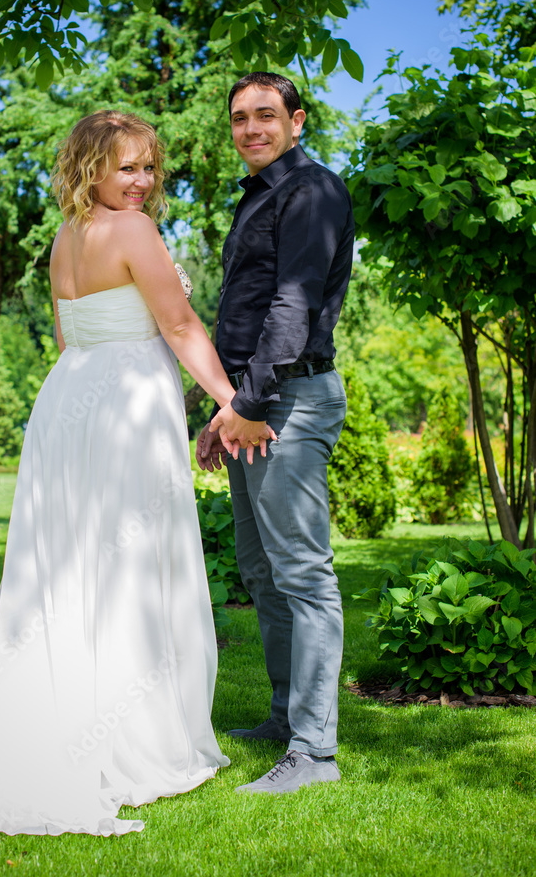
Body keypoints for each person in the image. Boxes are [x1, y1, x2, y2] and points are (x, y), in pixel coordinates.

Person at [0, 110, 274, 837]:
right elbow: (180, 326)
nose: (142, 182)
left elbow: (66, 334)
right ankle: (127, 738)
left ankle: (61, 718)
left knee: (66, 562)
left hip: (68, 402)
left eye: (149, 167)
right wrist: (231, 403)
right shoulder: (135, 231)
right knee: (128, 561)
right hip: (126, 406)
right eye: (126, 167)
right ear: (91, 168)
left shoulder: (65, 236)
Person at [196, 72, 354, 794]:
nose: (251, 129)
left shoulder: (311, 191)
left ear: (297, 120)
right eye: (239, 118)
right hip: (254, 403)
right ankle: (287, 715)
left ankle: (314, 754)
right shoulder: (258, 195)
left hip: (288, 401)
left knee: (302, 574)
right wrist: (223, 410)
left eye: (265, 115)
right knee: (261, 571)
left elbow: (293, 305)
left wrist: (253, 402)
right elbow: (243, 312)